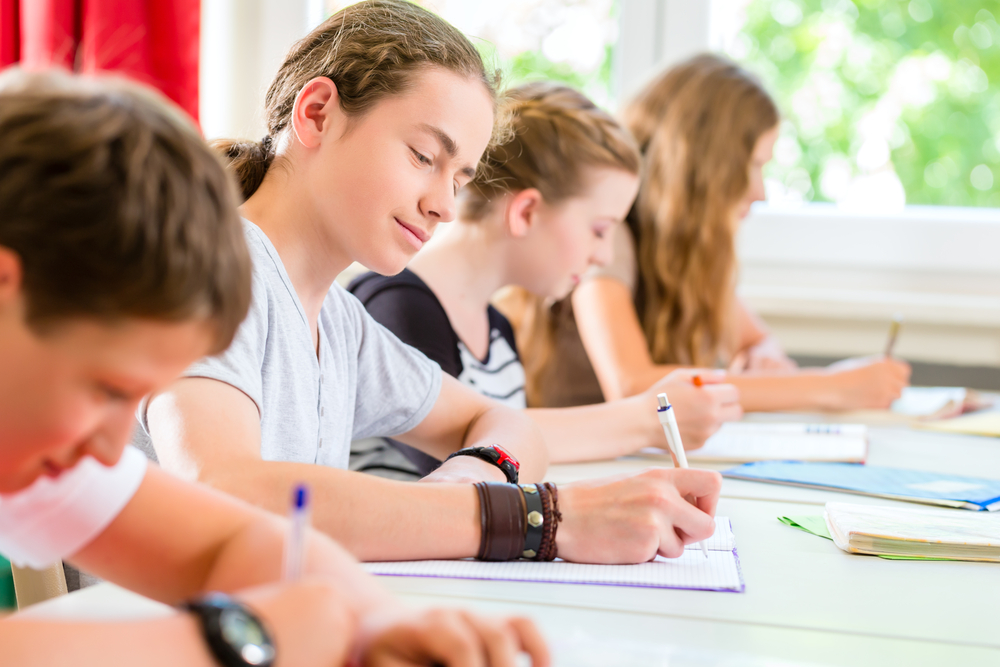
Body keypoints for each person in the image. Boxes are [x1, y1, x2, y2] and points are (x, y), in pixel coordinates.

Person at [139, 0, 723, 566]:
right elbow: (225, 493)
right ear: (316, 113)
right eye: (424, 156)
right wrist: (532, 518)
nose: (443, 204)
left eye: (461, 178)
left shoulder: (341, 324)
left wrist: (472, 476)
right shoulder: (209, 270)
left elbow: (508, 423)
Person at [0, 69, 548, 667]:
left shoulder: (45, 453)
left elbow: (230, 540)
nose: (111, 451)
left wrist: (380, 620)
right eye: (107, 389)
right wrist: (236, 641)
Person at [347, 81, 742, 481]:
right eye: (600, 229)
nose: (603, 256)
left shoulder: (497, 329)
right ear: (527, 212)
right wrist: (642, 420)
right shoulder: (397, 308)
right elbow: (467, 464)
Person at [529, 54, 911, 413]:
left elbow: (758, 339)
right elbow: (631, 386)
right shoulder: (609, 238)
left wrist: (764, 355)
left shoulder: (687, 253)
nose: (760, 192)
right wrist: (830, 385)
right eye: (754, 165)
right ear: (705, 166)